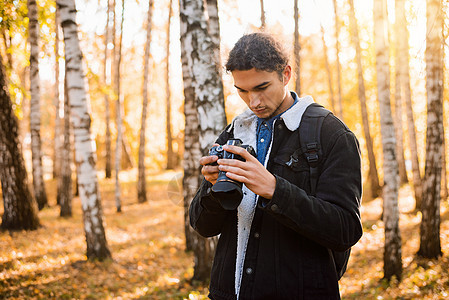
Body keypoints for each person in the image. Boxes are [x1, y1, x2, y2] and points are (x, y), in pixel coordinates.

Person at [189, 32, 362, 300]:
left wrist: (275, 190)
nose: (253, 102)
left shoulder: (331, 134)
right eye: (242, 91)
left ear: (286, 74)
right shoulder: (234, 132)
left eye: (261, 88)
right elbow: (203, 226)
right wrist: (212, 190)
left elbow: (346, 229)